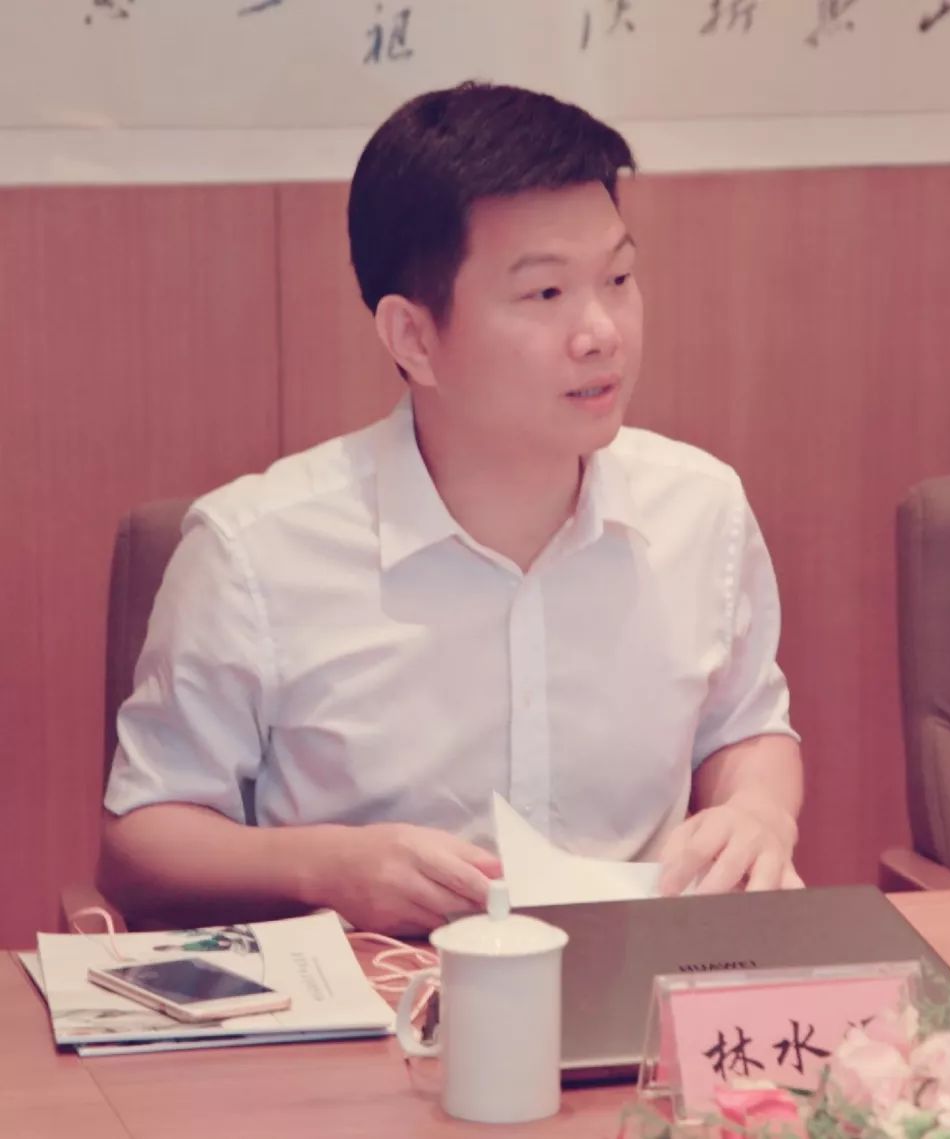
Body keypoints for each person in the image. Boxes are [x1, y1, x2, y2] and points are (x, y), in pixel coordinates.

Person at [99, 82, 803, 936]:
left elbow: (745, 729)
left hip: (636, 982)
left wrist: (757, 812)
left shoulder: (699, 507)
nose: (602, 331)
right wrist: (325, 867)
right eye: (545, 294)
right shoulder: (253, 552)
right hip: (374, 986)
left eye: (618, 278)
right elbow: (140, 843)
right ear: (414, 337)